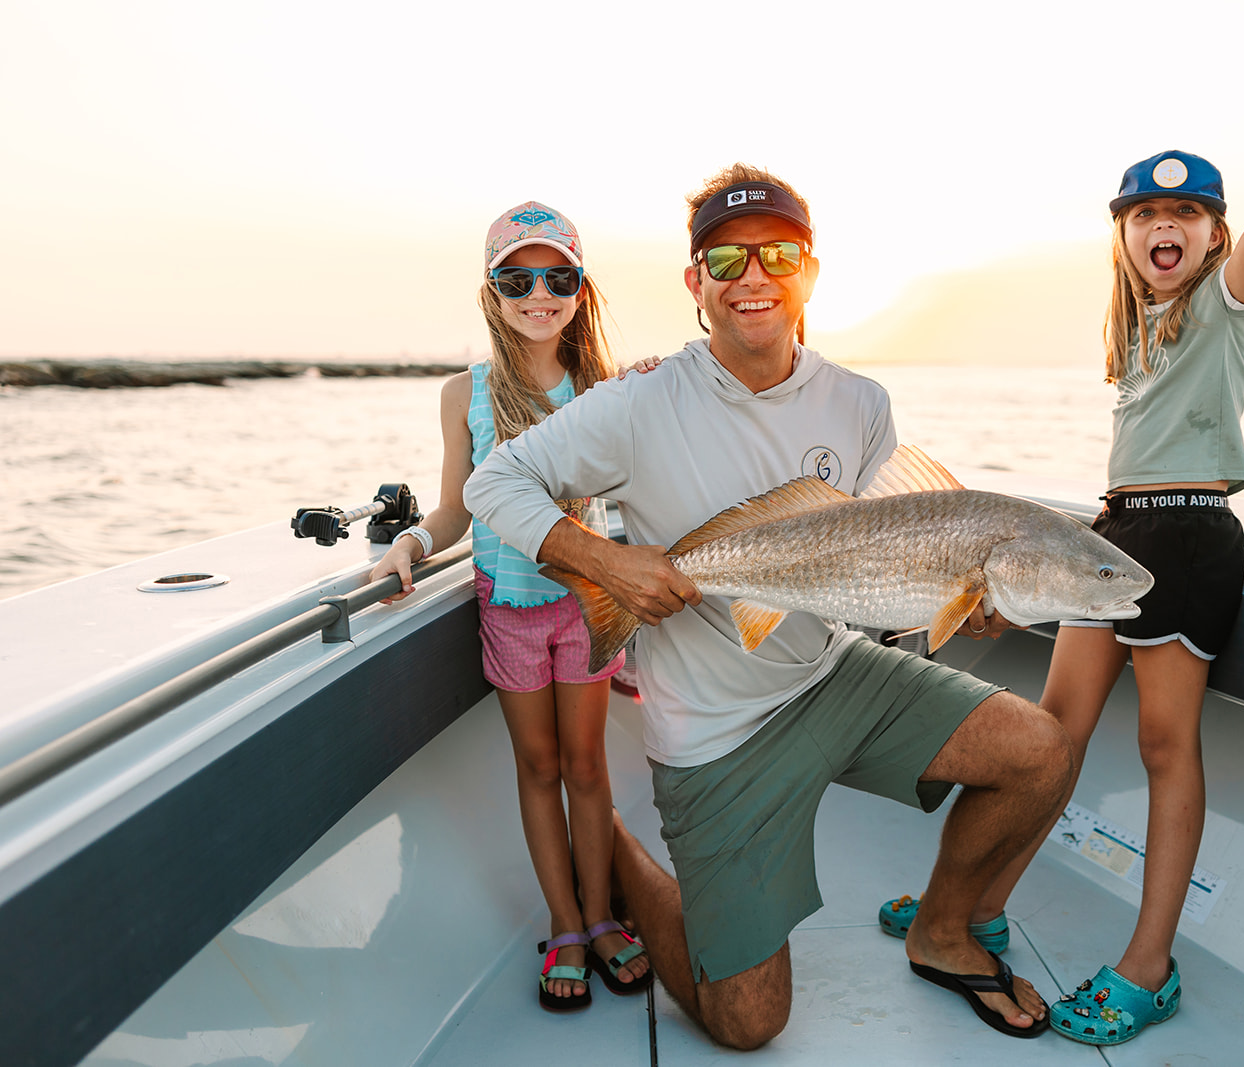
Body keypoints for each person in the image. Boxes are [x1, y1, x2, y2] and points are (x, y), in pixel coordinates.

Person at [463, 164, 1074, 1049]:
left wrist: (967, 595)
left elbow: (883, 560)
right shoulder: (636, 402)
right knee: (747, 1022)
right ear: (695, 283)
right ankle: (625, 861)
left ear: (811, 272)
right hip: (715, 730)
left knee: (1040, 751)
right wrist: (606, 561)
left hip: (832, 674)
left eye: (778, 254)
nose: (753, 276)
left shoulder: (861, 403)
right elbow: (496, 481)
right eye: (726, 259)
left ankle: (942, 930)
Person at [880, 62, 1244, 1047]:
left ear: (1212, 234)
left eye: (1187, 213)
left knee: (1164, 748)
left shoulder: (1224, 301)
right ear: (1122, 235)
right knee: (1049, 735)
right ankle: (978, 901)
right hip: (1112, 533)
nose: (1166, 225)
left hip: (1187, 541)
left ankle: (1148, 965)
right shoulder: (1138, 329)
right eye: (1145, 212)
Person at [368, 201, 651, 1012]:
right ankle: (563, 924)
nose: (539, 293)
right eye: (517, 277)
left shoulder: (600, 385)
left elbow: (645, 484)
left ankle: (600, 917)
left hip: (587, 607)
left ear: (580, 287)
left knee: (590, 766)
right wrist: (412, 545)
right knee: (539, 767)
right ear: (491, 291)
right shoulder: (465, 391)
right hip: (509, 610)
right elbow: (458, 507)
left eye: (557, 276)